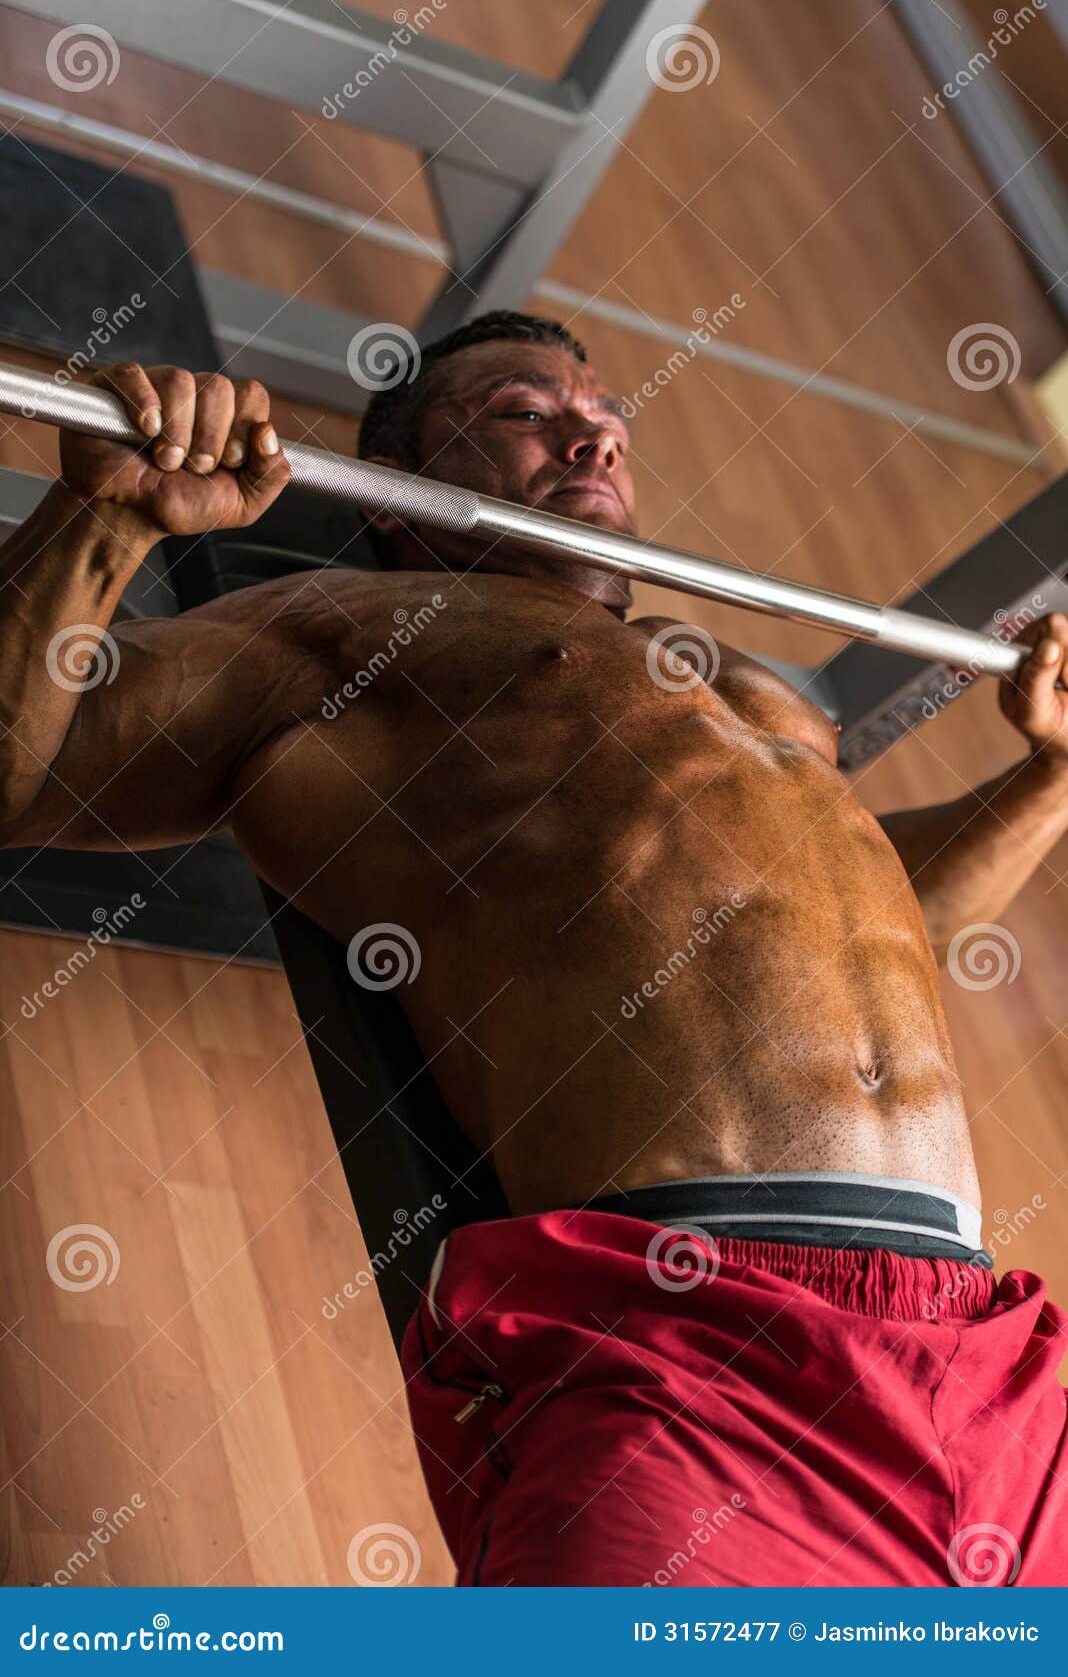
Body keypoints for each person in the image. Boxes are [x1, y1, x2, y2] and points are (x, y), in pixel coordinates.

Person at [1, 312, 1066, 1586]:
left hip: (983, 1352)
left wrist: (1053, 775)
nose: (592, 429)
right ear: (403, 489)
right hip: (684, 1347)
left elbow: (891, 924)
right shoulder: (349, 632)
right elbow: (25, 773)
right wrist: (110, 520)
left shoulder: (753, 688)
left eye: (608, 412)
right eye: (522, 410)